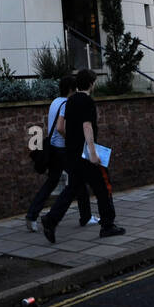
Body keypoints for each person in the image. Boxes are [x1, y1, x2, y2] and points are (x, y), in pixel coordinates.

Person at [41, 69, 126, 242]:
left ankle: (50, 220)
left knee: (72, 188)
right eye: (93, 82)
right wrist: (93, 153)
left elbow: (61, 126)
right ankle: (108, 226)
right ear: (90, 84)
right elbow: (87, 126)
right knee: (103, 186)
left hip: (72, 154)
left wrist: (72, 142)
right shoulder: (87, 101)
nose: (94, 85)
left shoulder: (69, 101)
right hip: (86, 154)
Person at [25, 74, 95, 231]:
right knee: (79, 180)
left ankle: (31, 215)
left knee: (52, 182)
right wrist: (71, 140)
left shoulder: (55, 102)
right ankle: (86, 217)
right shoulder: (66, 103)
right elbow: (60, 128)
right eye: (75, 87)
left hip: (54, 148)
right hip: (63, 149)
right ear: (71, 88)